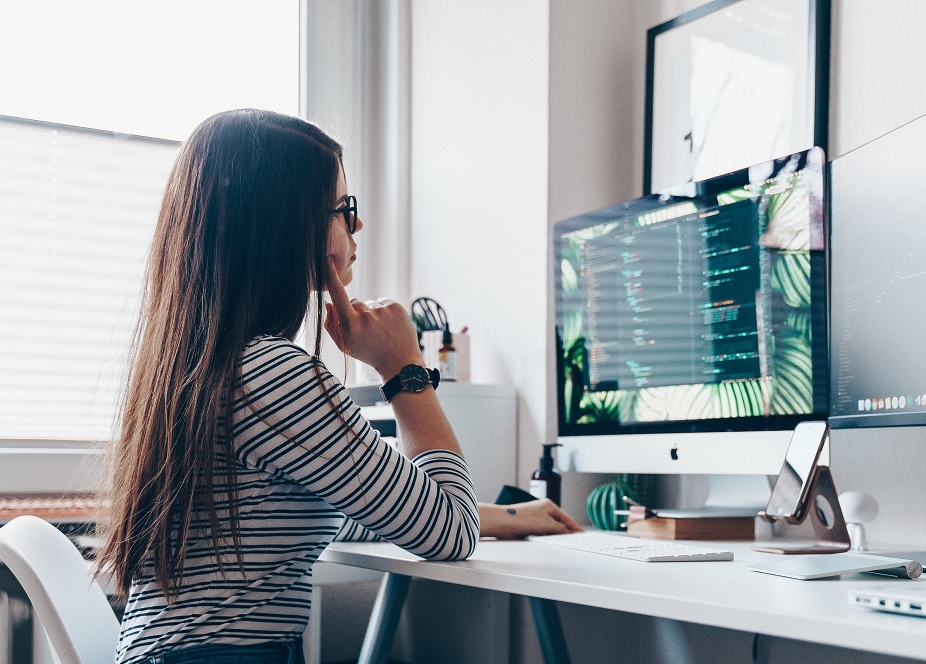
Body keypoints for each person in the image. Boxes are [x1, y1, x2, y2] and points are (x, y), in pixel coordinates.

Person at [95, 109, 581, 664]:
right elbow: (447, 534)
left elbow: (342, 500)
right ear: (291, 227)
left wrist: (504, 516)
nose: (358, 228)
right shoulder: (272, 374)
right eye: (345, 210)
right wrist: (404, 370)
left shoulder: (203, 366)